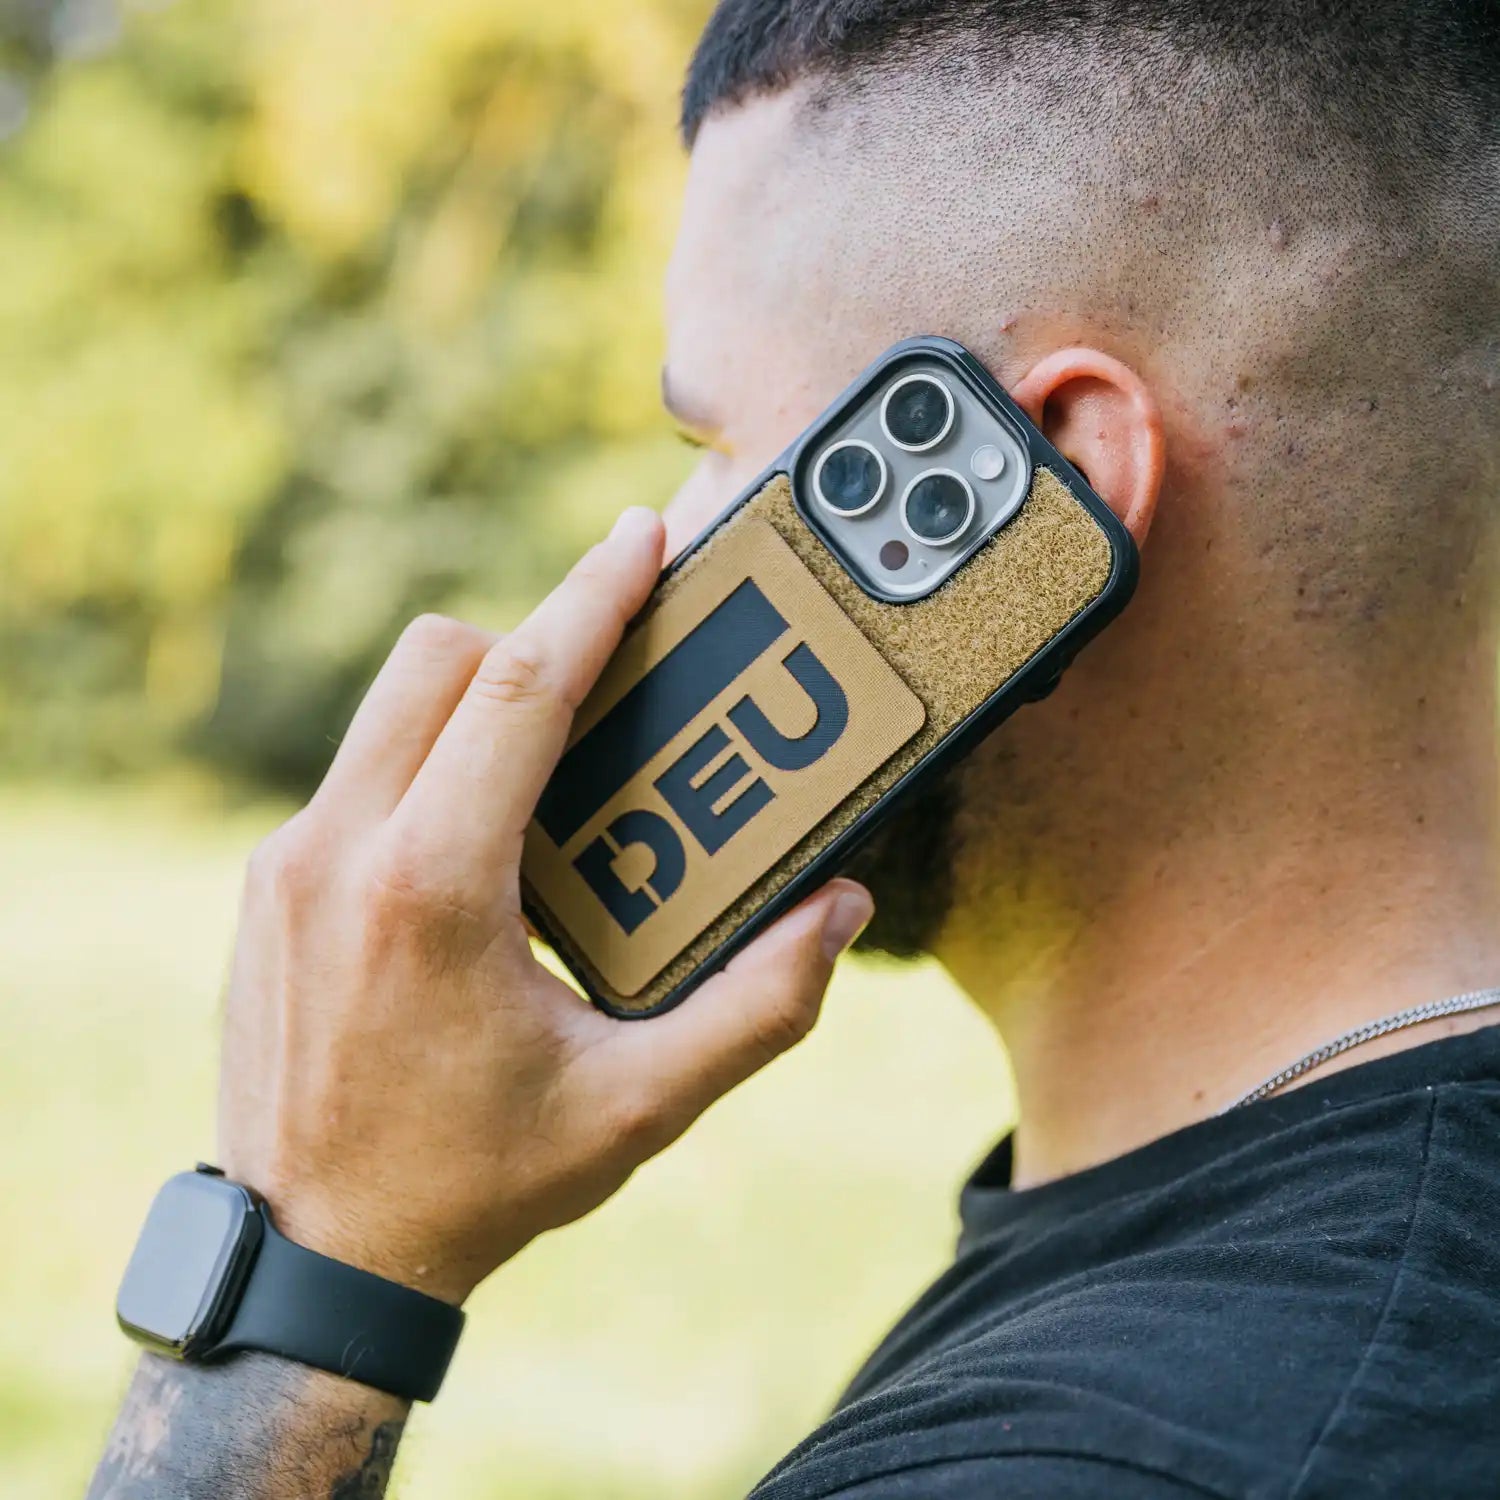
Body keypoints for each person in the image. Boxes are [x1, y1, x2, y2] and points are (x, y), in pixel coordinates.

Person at [87, 1, 1500, 1496]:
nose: (661, 542)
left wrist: (310, 1271)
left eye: (710, 453)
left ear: (1058, 484)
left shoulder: (1096, 1457)